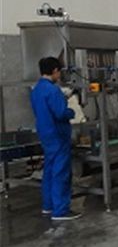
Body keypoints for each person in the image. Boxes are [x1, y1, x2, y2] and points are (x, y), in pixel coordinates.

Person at [30, 57, 81, 221]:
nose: (59, 75)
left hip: (45, 134)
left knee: (49, 171)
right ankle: (60, 210)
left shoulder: (37, 89)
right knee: (61, 172)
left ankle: (48, 206)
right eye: (59, 72)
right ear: (54, 71)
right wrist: (72, 111)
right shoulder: (53, 90)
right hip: (58, 135)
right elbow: (60, 113)